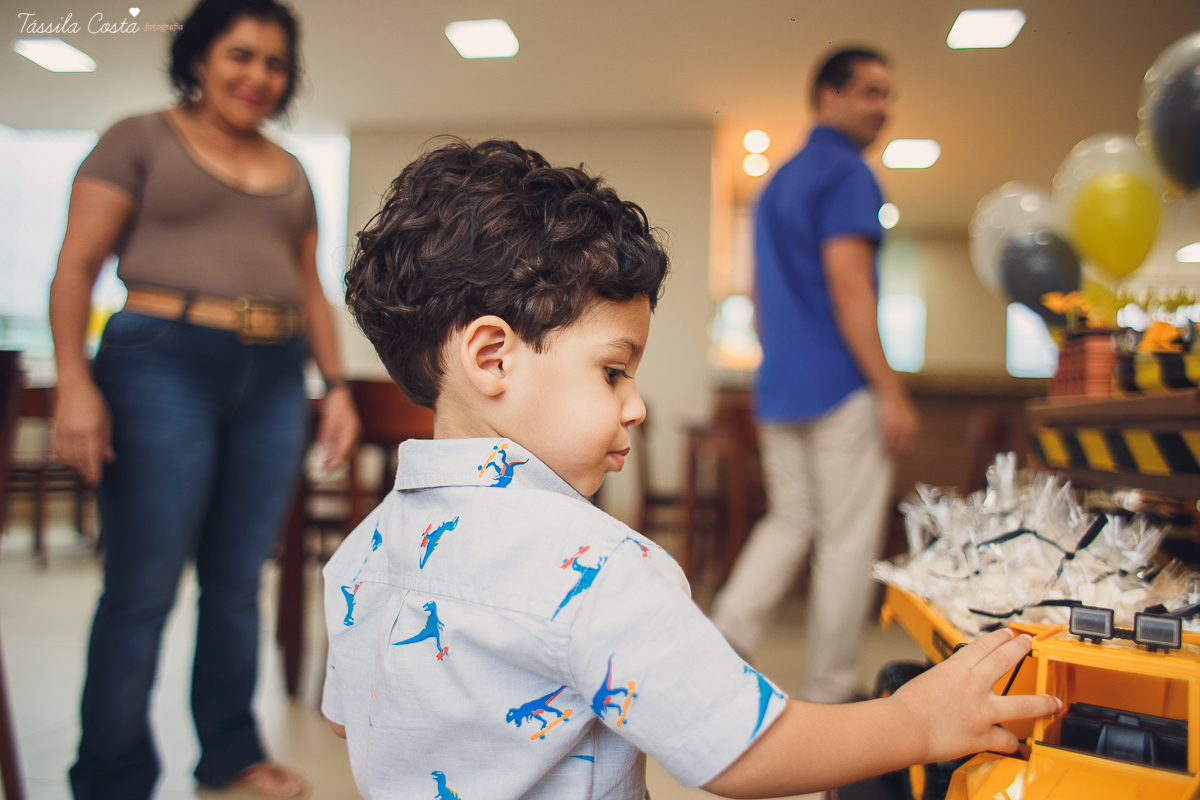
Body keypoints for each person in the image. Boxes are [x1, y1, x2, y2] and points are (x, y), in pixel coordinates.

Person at [320, 138, 1056, 798]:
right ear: (491, 357)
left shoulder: (358, 559)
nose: (635, 406)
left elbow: (360, 728)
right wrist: (915, 722)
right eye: (613, 372)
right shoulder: (601, 566)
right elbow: (742, 750)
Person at [49, 0, 359, 796]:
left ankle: (229, 752)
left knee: (235, 582)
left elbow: (313, 289)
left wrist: (337, 388)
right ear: (197, 58)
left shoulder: (291, 171)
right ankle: (111, 774)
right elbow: (76, 268)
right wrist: (74, 384)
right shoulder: (138, 138)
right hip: (160, 362)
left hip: (276, 373)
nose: (258, 76)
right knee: (144, 586)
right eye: (241, 56)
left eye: (275, 63)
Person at [709, 47, 920, 704]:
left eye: (888, 95)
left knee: (790, 520)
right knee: (846, 537)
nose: (882, 108)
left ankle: (717, 648)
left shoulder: (778, 184)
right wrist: (890, 389)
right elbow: (851, 289)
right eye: (869, 93)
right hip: (839, 385)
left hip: (782, 386)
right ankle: (830, 687)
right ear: (827, 96)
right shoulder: (849, 175)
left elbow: (761, 298)